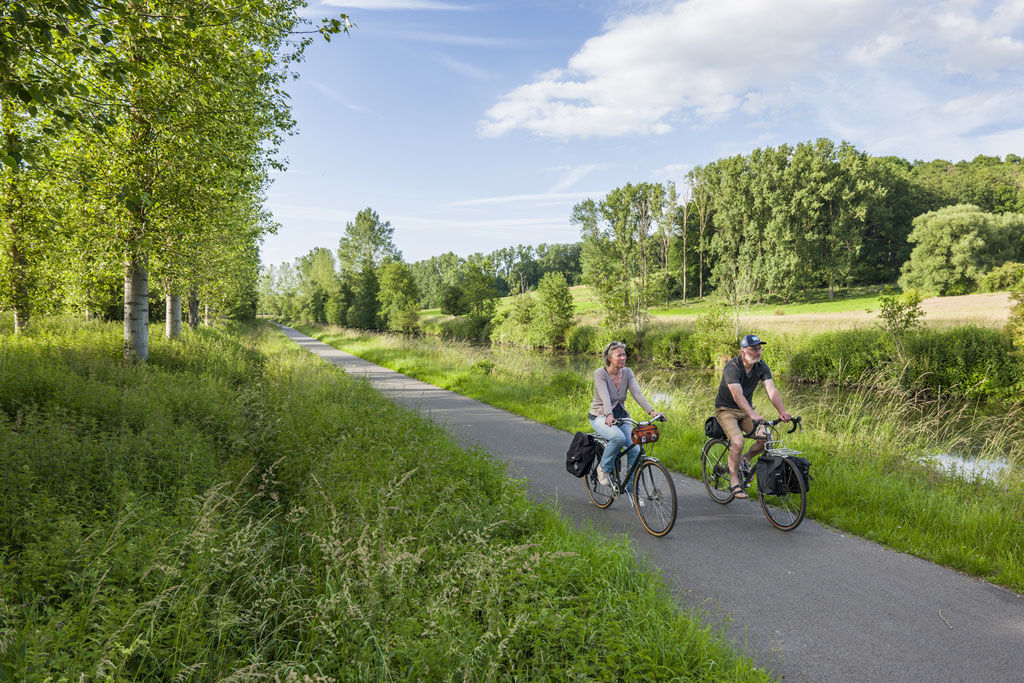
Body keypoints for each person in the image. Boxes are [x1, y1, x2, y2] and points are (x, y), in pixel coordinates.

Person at [714, 334, 791, 499]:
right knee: (737, 441)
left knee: (766, 439)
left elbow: (771, 390)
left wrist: (782, 411)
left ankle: (744, 460)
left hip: (745, 410)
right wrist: (753, 414)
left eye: (759, 349)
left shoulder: (761, 366)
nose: (758, 352)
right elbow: (737, 395)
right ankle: (734, 481)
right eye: (753, 349)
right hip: (726, 410)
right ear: (743, 351)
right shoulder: (732, 367)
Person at [589, 341, 664, 503]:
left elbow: (637, 393)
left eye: (624, 354)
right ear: (609, 358)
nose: (623, 358)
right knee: (618, 438)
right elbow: (605, 396)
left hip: (621, 416)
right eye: (619, 355)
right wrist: (608, 414)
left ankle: (632, 491)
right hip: (600, 416)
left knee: (635, 450)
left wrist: (652, 412)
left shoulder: (628, 372)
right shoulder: (600, 374)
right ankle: (603, 469)